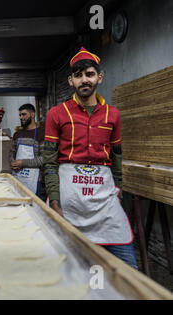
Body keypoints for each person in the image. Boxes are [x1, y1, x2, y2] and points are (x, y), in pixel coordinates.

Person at [43, 47, 137, 269]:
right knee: (66, 268)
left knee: (128, 268)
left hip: (104, 202)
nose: (84, 80)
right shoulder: (56, 113)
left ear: (99, 77)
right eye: (78, 75)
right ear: (71, 80)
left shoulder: (112, 114)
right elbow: (49, 160)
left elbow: (117, 156)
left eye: (89, 74)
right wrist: (54, 201)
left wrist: (118, 189)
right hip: (69, 200)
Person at [10, 104, 45, 198]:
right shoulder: (17, 134)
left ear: (32, 114)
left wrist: (22, 163)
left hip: (34, 181)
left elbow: (43, 159)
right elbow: (11, 154)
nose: (21, 117)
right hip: (17, 178)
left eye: (24, 114)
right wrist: (13, 163)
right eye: (20, 115)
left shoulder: (42, 133)